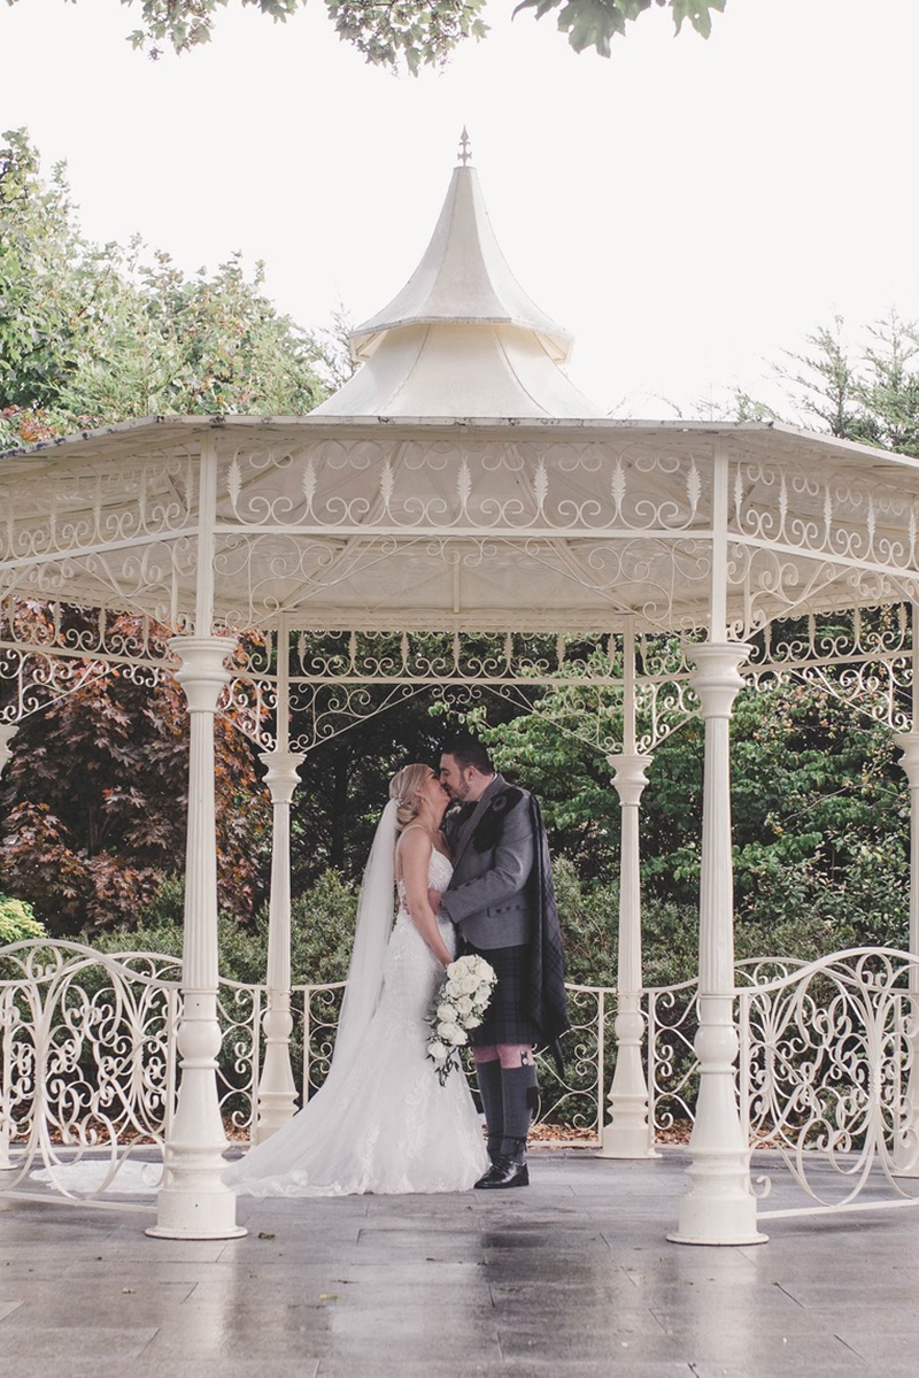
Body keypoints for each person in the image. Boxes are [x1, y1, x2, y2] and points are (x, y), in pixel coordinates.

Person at [223, 764, 487, 1197]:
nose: (444, 783)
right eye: (435, 780)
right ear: (420, 793)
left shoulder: (441, 836)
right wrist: (449, 961)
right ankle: (384, 1154)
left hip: (439, 948)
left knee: (430, 1041)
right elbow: (418, 906)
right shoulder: (417, 837)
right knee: (409, 1040)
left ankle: (424, 1150)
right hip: (419, 954)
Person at [437, 733, 569, 1190]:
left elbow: (512, 874)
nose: (444, 781)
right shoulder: (459, 814)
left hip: (509, 940)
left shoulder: (516, 803)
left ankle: (514, 1155)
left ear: (470, 771)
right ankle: (498, 1156)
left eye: (447, 773)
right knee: (484, 1048)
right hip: (473, 943)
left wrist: (449, 904)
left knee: (513, 1047)